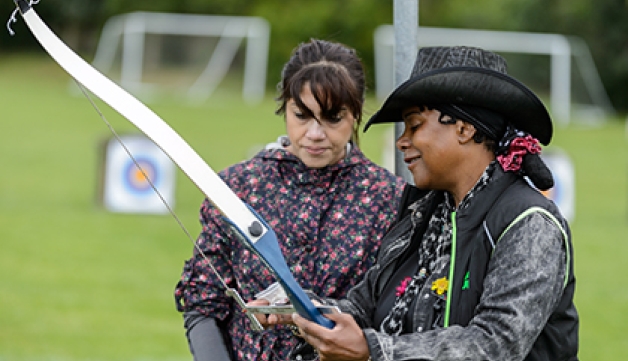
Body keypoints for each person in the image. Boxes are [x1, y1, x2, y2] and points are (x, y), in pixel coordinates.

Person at [263, 46, 579, 361]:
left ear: (465, 129)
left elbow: (495, 344)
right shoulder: (422, 213)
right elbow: (363, 307)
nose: (401, 140)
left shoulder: (529, 223)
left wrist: (373, 350)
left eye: (414, 126)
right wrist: (302, 309)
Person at [173, 38, 407, 361]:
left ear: (355, 114)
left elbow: (394, 311)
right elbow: (203, 301)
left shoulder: (388, 197)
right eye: (302, 115)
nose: (314, 133)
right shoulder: (239, 186)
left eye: (332, 118)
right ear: (285, 108)